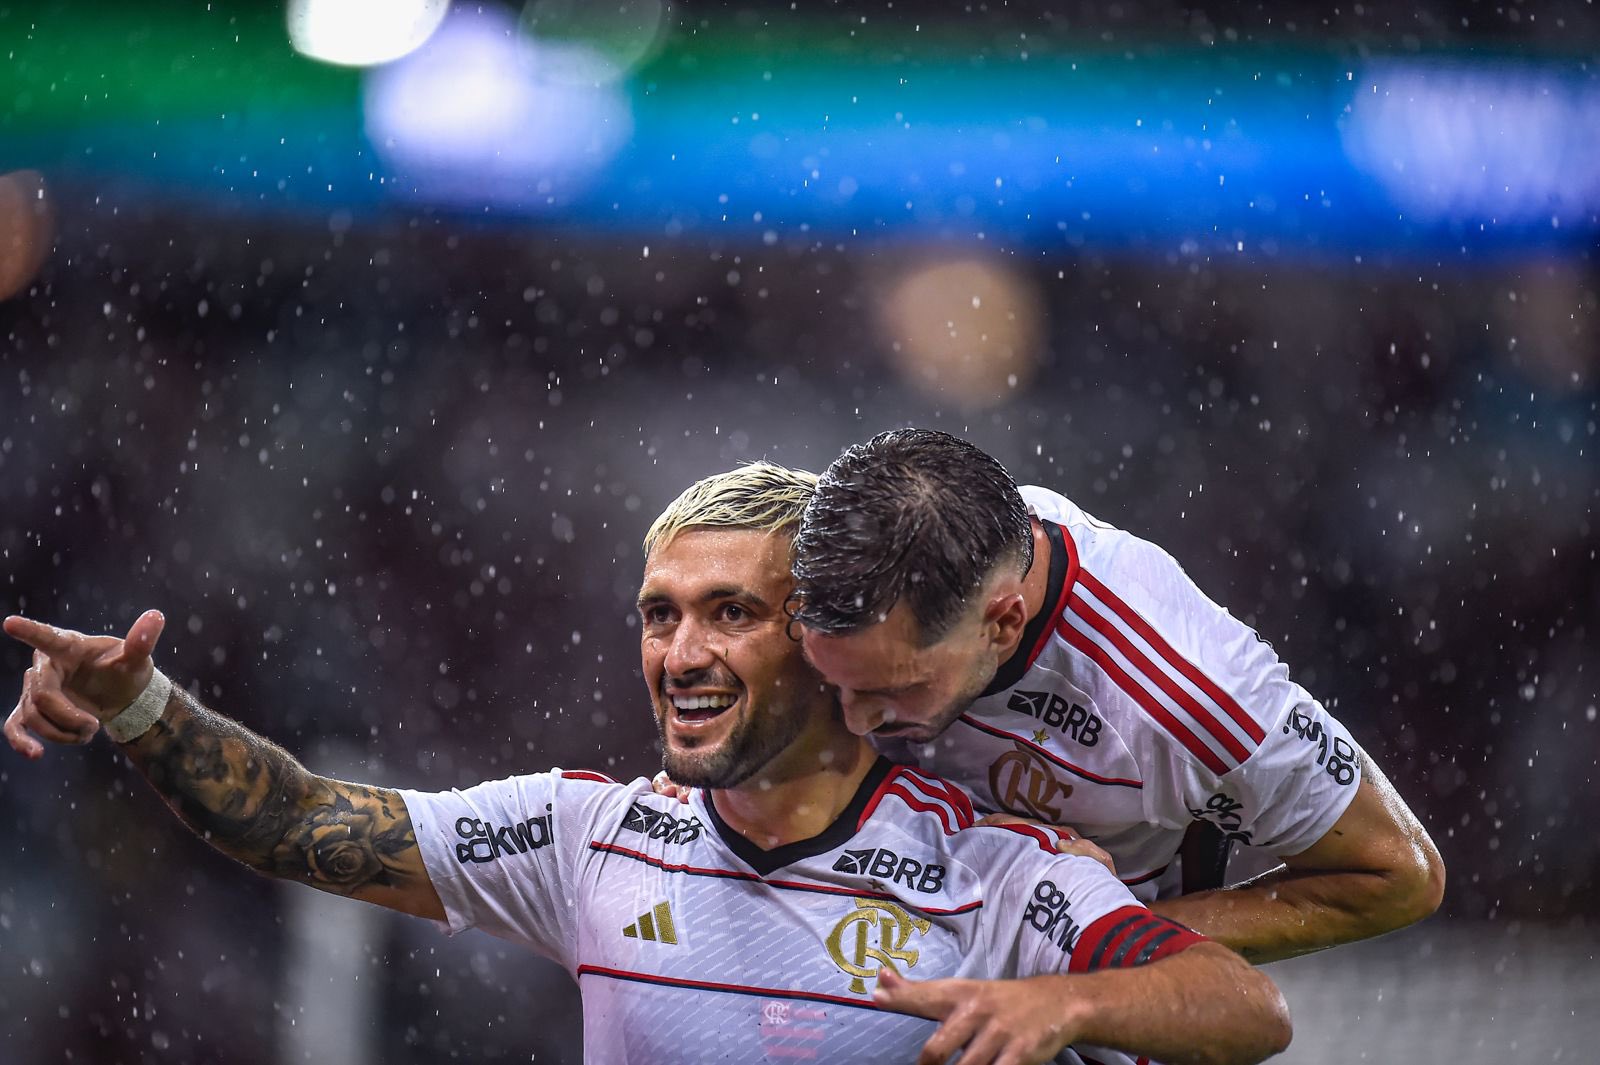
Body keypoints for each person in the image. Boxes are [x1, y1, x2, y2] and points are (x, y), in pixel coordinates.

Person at [4, 463, 1291, 1065]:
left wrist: (1062, 1001)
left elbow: (1244, 1009)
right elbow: (298, 823)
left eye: (730, 611)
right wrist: (140, 705)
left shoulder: (994, 877)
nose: (680, 650)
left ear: (825, 641)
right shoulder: (588, 839)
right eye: (659, 612)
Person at [786, 429, 1445, 968]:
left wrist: (1104, 931)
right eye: (829, 676)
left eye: (890, 689)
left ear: (1004, 623)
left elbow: (1398, 875)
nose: (851, 719)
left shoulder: (1189, 697)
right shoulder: (854, 567)